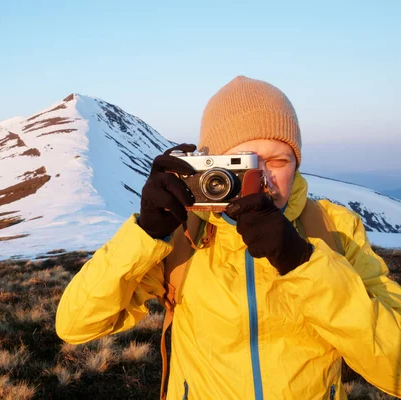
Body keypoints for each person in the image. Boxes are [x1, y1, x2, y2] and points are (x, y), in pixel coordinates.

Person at [55, 76, 401, 399]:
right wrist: (145, 234)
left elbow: (395, 369)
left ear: (297, 164)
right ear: (213, 166)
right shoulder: (182, 234)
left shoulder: (333, 228)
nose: (260, 179)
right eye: (242, 163)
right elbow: (75, 324)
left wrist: (303, 263)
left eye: (278, 160)